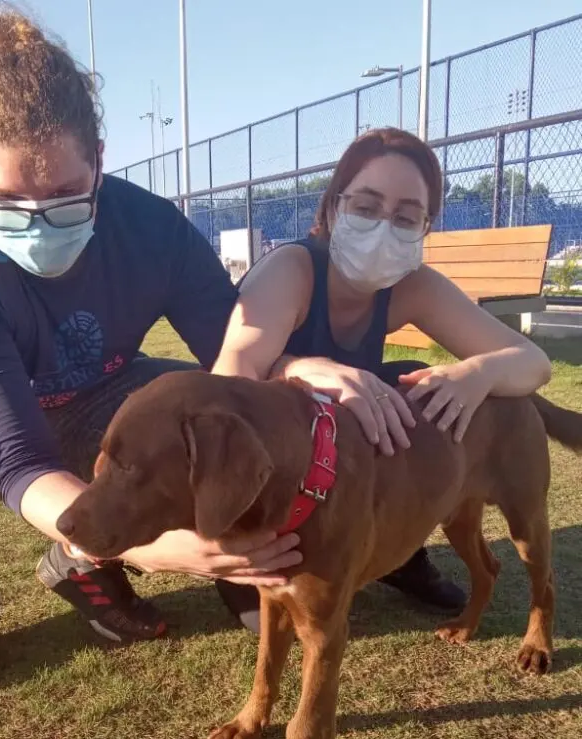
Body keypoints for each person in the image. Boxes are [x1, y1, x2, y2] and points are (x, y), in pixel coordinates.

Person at [0, 8, 302, 692]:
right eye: (6, 198)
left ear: (100, 158)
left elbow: (237, 364)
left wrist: (300, 368)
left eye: (64, 193)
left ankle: (101, 559)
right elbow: (19, 457)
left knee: (224, 419)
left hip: (92, 389)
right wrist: (148, 547)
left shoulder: (151, 227)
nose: (38, 220)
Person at [212, 127, 552, 631]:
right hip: (270, 470)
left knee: (395, 389)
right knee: (269, 613)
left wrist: (477, 372)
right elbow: (230, 382)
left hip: (345, 460)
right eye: (366, 207)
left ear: (424, 228)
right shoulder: (292, 270)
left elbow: (533, 362)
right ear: (333, 208)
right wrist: (296, 369)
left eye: (406, 217)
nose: (383, 228)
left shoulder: (412, 286)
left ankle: (400, 549)